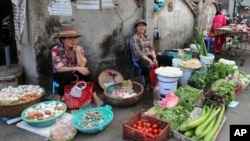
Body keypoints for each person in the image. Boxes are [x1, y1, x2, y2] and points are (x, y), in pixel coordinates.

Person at [50, 25, 91, 100]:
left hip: (74, 72)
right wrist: (78, 68)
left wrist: (78, 51)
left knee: (87, 73)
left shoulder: (79, 48)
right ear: (63, 40)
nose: (73, 40)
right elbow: (59, 69)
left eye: (74, 38)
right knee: (68, 75)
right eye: (70, 38)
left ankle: (93, 95)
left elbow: (82, 65)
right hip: (59, 75)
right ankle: (59, 95)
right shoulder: (56, 50)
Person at [130, 19, 172, 90]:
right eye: (139, 26)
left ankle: (165, 77)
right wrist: (149, 60)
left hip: (149, 55)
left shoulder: (147, 36)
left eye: (143, 25)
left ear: (145, 27)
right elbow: (138, 53)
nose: (141, 27)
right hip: (139, 58)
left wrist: (154, 58)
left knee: (168, 59)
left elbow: (152, 48)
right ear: (136, 28)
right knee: (147, 66)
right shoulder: (134, 38)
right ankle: (147, 82)